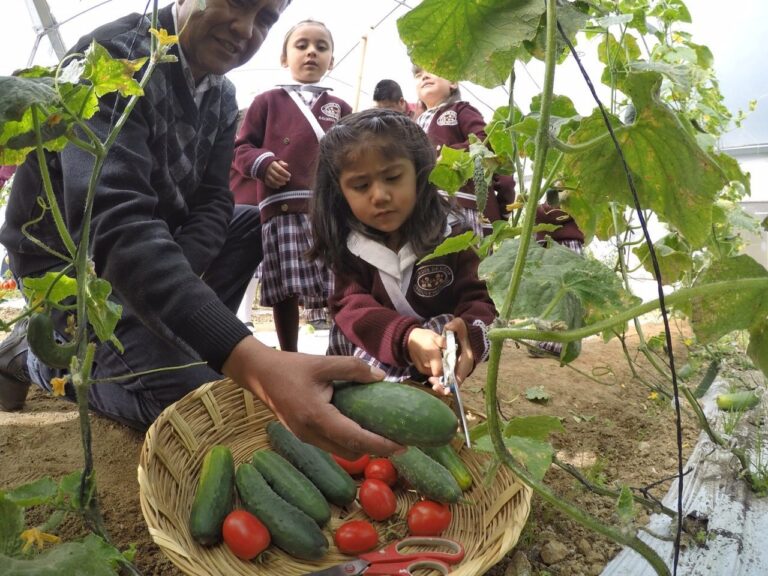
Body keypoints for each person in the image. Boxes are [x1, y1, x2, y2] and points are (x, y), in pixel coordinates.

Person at [0, 0, 399, 458]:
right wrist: (249, 360)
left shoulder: (223, 94)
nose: (246, 29)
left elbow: (214, 201)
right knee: (194, 399)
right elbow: (117, 225)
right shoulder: (112, 58)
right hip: (74, 275)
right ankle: (28, 358)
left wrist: (180, 301)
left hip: (147, 262)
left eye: (266, 19)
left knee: (250, 224)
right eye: (237, 2)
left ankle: (173, 337)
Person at [308, 109, 497, 389]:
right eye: (360, 186)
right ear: (339, 192)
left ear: (420, 175)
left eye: (393, 177)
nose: (380, 196)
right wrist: (406, 338)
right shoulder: (349, 247)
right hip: (367, 367)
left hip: (437, 369)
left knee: (445, 325)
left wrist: (467, 336)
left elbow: (481, 300)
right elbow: (352, 307)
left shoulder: (454, 235)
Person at [230, 20, 349, 350]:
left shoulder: (341, 108)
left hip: (328, 211)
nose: (311, 51)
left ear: (332, 61)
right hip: (281, 209)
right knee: (286, 288)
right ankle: (290, 352)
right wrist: (263, 164)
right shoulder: (267, 101)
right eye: (301, 45)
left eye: (321, 47)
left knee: (338, 284)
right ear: (284, 58)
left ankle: (337, 349)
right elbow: (241, 147)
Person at [412, 66, 516, 236]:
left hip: (467, 207)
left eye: (432, 70)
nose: (424, 77)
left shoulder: (460, 109)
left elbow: (484, 138)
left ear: (453, 82)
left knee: (472, 259)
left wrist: (447, 155)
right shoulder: (413, 123)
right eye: (418, 75)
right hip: (428, 207)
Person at [530, 185, 585, 356]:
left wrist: (537, 205)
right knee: (555, 295)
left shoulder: (563, 204)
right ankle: (551, 341)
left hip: (563, 247)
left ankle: (554, 345)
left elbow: (543, 214)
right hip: (565, 247)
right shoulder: (576, 200)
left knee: (559, 296)